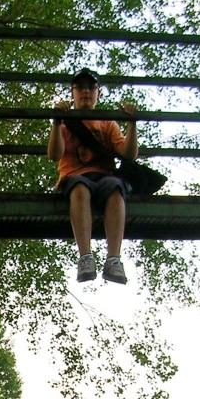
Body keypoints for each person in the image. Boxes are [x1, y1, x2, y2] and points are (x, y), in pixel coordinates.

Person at [47, 67, 139, 285]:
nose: (86, 92)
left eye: (91, 87)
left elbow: (128, 154)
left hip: (103, 177)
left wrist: (131, 123)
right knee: (80, 188)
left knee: (116, 189)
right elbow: (54, 155)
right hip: (74, 176)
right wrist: (57, 121)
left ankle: (114, 259)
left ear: (98, 92)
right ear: (73, 92)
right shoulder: (66, 122)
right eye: (80, 88)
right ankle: (85, 257)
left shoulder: (106, 123)